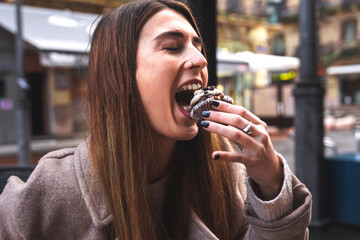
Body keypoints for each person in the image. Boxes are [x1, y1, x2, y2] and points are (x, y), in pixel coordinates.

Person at [0, 0, 312, 239]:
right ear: (121, 76)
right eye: (173, 47)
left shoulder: (226, 173)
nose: (201, 60)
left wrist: (271, 184)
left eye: (198, 47)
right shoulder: (54, 187)